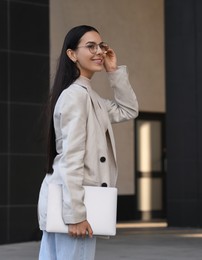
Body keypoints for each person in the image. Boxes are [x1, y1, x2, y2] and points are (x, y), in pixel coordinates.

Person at [37, 25, 138, 259]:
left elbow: (128, 109)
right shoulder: (75, 96)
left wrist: (114, 72)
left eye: (101, 46)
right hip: (74, 204)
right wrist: (76, 215)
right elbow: (71, 158)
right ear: (72, 55)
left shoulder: (89, 97)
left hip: (70, 200)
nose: (99, 52)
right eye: (90, 46)